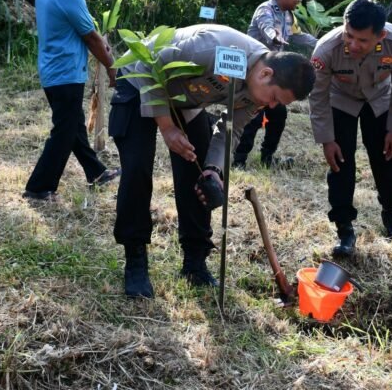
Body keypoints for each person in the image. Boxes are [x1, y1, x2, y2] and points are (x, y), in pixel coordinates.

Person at [108, 24, 315, 298]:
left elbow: (232, 128)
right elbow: (152, 64)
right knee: (137, 169)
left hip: (186, 98)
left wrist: (214, 169)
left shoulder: (258, 91)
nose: (272, 106)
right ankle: (136, 260)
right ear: (266, 74)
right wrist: (168, 128)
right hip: (141, 79)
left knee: (201, 177)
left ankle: (195, 262)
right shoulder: (214, 48)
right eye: (275, 98)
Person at [309, 0, 392, 257]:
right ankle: (344, 228)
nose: (353, 44)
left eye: (362, 40)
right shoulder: (325, 50)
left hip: (380, 99)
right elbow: (318, 96)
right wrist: (327, 139)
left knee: (388, 160)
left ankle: (391, 214)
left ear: (381, 35)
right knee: (340, 164)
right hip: (341, 100)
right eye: (349, 36)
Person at [23, 0, 120, 202]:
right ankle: (38, 187)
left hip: (52, 71)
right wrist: (113, 68)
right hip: (65, 73)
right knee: (64, 132)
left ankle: (97, 173)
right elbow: (91, 37)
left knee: (74, 126)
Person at [233, 0, 318, 169]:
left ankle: (267, 158)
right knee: (252, 118)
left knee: (278, 115)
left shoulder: (289, 16)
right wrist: (274, 36)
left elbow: (298, 35)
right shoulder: (265, 10)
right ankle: (238, 160)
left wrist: (320, 42)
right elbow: (267, 28)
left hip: (274, 77)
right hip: (255, 75)